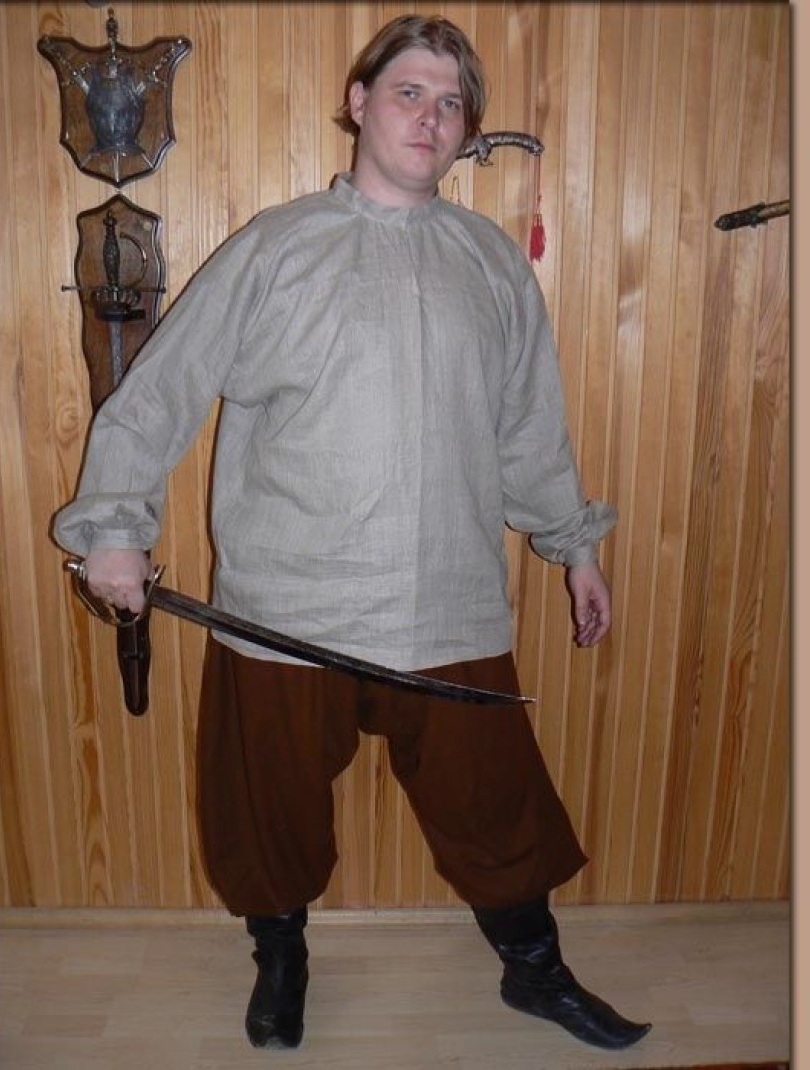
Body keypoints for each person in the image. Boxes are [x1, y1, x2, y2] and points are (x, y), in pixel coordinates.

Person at [53, 14, 651, 1054]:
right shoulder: (275, 247)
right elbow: (159, 391)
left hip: (445, 601)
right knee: (269, 809)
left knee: (495, 803)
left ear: (465, 131)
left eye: (452, 102)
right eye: (410, 92)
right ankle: (281, 957)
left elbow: (528, 428)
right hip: (289, 606)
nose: (431, 116)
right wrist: (113, 528)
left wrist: (576, 547)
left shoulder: (491, 263)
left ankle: (533, 967)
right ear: (358, 102)